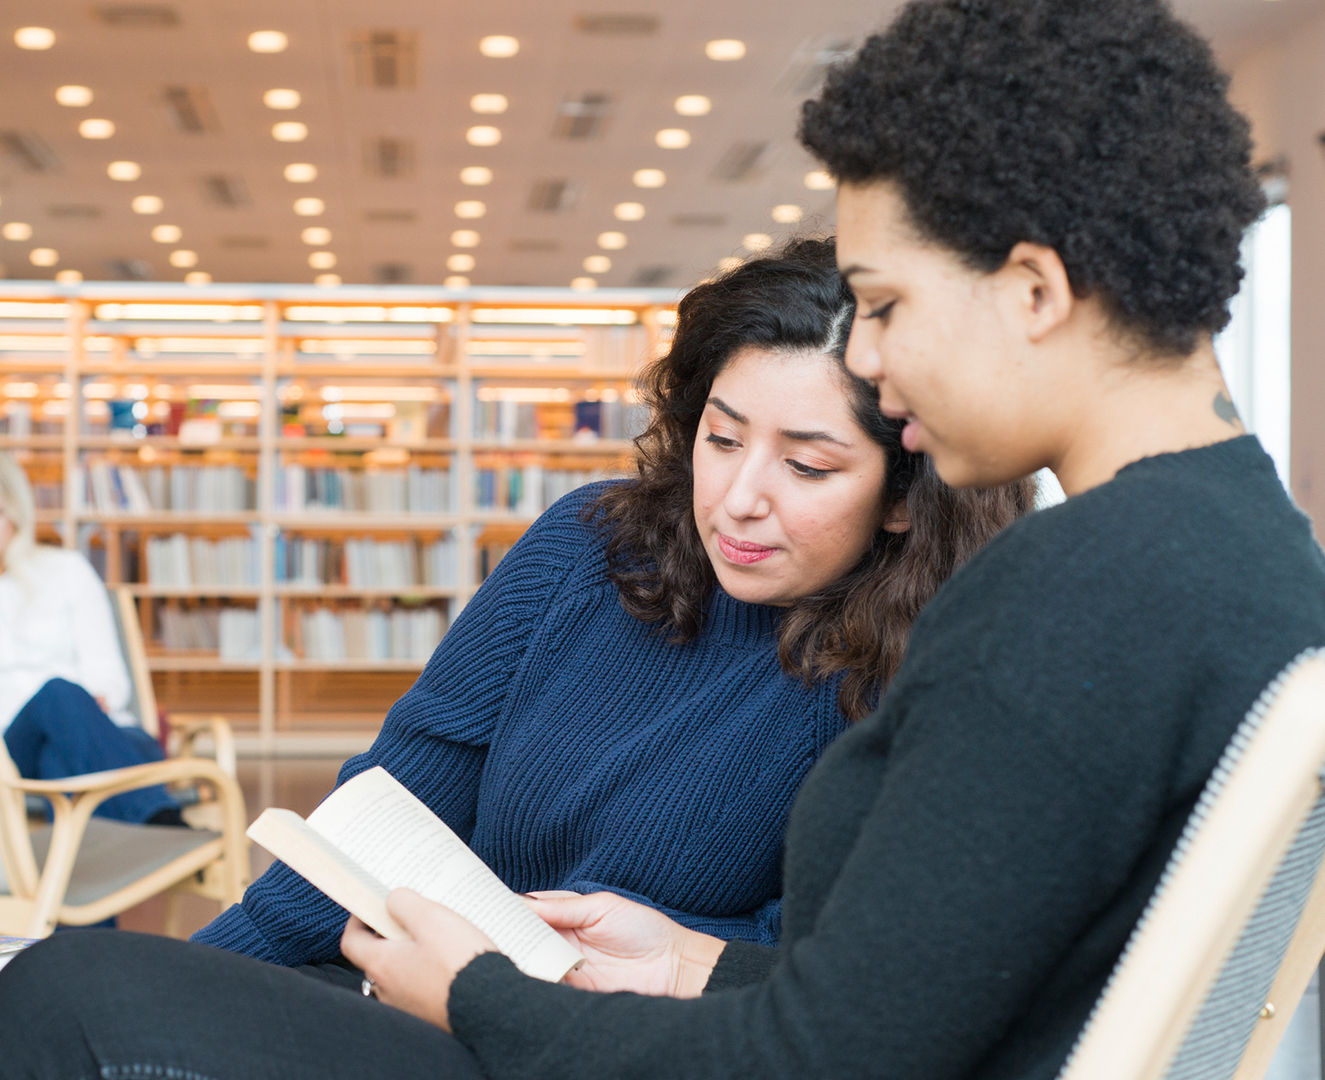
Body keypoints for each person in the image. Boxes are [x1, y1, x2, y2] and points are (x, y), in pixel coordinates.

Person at [0, 2, 1325, 1076]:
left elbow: (826, 1061)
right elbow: (891, 1009)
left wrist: (492, 993)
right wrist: (685, 961)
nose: (876, 350)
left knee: (71, 1000)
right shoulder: (1249, 561)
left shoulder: (1064, 601)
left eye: (885, 302)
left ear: (1035, 289)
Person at [191, 237, 1031, 974]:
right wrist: (205, 976)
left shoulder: (926, 667)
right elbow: (392, 807)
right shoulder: (587, 546)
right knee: (98, 996)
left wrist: (558, 957)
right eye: (723, 437)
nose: (738, 499)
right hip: (410, 998)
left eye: (806, 467)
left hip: (615, 1045)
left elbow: (824, 968)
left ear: (906, 496)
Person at [0, 449, 182, 826]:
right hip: (9, 754)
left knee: (58, 744)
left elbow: (110, 679)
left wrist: (82, 711)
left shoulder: (66, 571)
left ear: (16, 513)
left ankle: (91, 870)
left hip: (109, 738)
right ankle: (168, 830)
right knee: (55, 700)